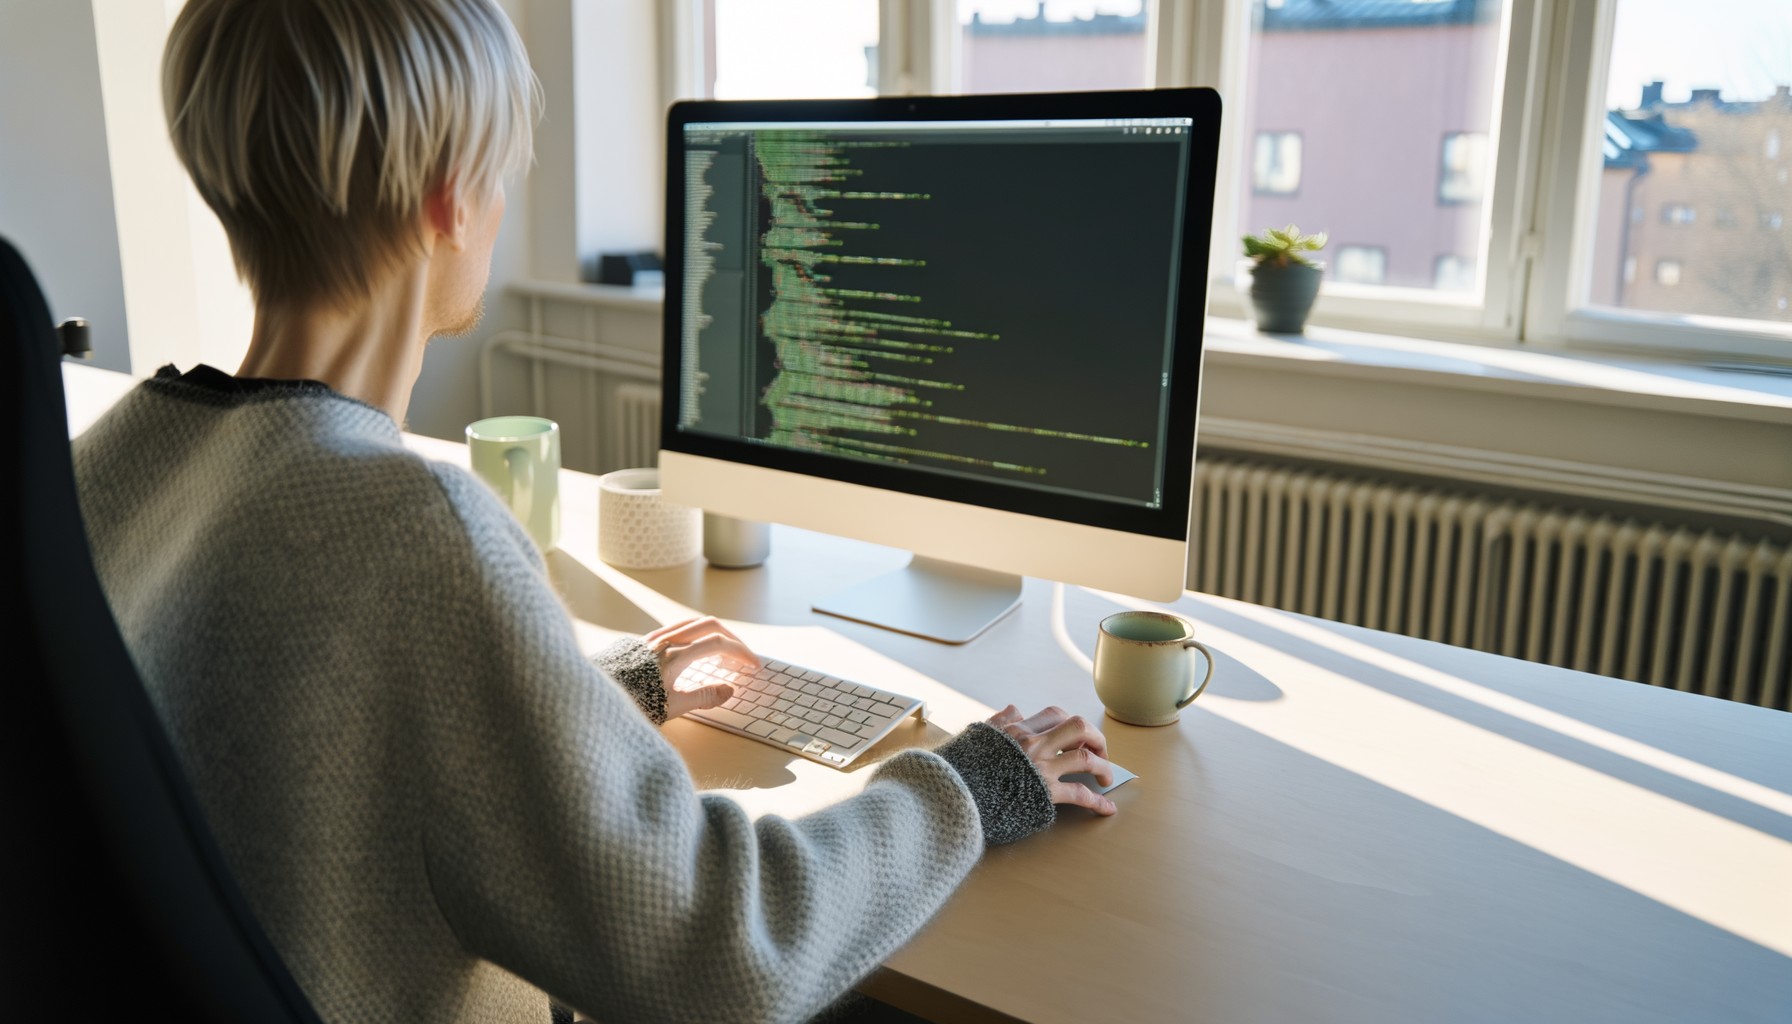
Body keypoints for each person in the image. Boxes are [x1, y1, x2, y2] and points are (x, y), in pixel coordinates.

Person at [71, 1, 1119, 1021]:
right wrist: (969, 788)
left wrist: (583, 700)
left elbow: (292, 728)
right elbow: (717, 953)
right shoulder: (411, 525)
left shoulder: (105, 464)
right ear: (448, 203)